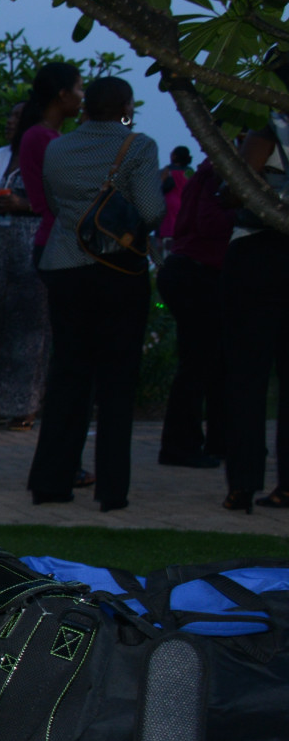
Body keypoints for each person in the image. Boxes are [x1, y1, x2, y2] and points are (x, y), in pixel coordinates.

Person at [28, 76, 165, 512]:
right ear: (126, 107)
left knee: (68, 373)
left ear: (86, 106)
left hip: (66, 265)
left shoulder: (58, 148)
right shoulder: (138, 146)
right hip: (118, 271)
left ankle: (51, 482)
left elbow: (53, 203)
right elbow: (151, 211)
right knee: (117, 380)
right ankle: (111, 489)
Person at [0, 75, 75, 432]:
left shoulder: (47, 148)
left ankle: (23, 405)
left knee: (29, 328)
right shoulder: (2, 156)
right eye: (9, 117)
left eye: (19, 116)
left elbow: (55, 201)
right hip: (1, 246)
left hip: (32, 242)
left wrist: (23, 205)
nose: (11, 122)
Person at [221, 99, 289, 512]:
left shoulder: (269, 127)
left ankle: (243, 483)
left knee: (247, 376)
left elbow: (237, 188)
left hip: (259, 252)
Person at [156, 158, 231, 470]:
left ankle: (215, 440)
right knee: (199, 363)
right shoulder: (217, 175)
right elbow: (208, 223)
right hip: (197, 273)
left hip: (190, 269)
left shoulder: (205, 174)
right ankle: (180, 444)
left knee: (212, 361)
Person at [17, 63, 85, 270]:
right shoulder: (42, 137)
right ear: (63, 94)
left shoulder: (47, 136)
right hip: (57, 240)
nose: (82, 96)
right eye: (79, 88)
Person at [158, 146, 193, 243]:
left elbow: (157, 185)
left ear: (174, 156)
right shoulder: (190, 172)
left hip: (169, 204)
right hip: (186, 204)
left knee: (167, 233)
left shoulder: (167, 170)